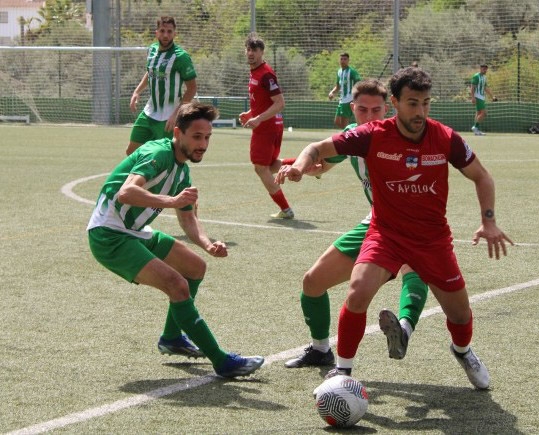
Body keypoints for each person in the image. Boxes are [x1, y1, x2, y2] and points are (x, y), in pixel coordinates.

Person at [277, 67, 513, 390]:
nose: (420, 112)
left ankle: (463, 351)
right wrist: (300, 168)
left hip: (432, 240)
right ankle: (342, 371)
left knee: (459, 314)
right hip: (385, 234)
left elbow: (482, 176)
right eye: (413, 103)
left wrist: (488, 220)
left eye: (426, 103)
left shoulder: (444, 138)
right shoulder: (372, 135)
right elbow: (317, 150)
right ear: (396, 102)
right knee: (357, 291)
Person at [88, 102, 264, 378]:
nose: (203, 144)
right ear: (178, 133)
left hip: (134, 231)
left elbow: (187, 218)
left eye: (207, 138)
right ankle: (222, 361)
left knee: (195, 267)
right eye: (196, 137)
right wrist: (172, 200)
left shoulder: (183, 171)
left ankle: (171, 338)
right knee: (177, 285)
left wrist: (207, 244)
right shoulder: (158, 153)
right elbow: (126, 193)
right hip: (109, 235)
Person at [282, 79, 429, 369]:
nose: (370, 117)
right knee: (313, 282)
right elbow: (322, 160)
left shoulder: (404, 135)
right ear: (352, 109)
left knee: (412, 267)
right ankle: (321, 349)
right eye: (363, 110)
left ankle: (404, 328)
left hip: (414, 221)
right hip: (376, 221)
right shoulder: (351, 136)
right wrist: (301, 169)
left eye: (377, 110)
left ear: (388, 109)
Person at [238, 34, 293, 219]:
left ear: (262, 52)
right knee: (269, 166)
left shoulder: (266, 74)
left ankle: (286, 209)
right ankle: (308, 164)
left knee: (261, 168)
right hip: (270, 126)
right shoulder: (255, 72)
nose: (251, 53)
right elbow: (263, 102)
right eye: (248, 49)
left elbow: (280, 103)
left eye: (255, 50)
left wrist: (259, 118)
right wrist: (250, 114)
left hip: (267, 128)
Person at [126, 16, 198, 156]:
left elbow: (192, 88)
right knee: (131, 152)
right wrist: (137, 92)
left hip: (169, 117)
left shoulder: (181, 57)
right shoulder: (151, 50)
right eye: (162, 31)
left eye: (169, 31)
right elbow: (150, 72)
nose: (166, 35)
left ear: (175, 33)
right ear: (156, 32)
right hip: (149, 113)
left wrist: (177, 113)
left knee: (169, 157)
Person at [328, 53, 361, 129]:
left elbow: (359, 84)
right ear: (339, 60)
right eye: (341, 59)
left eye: (345, 59)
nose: (343, 61)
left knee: (344, 125)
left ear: (348, 60)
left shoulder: (352, 72)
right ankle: (354, 132)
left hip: (349, 100)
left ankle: (349, 137)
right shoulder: (339, 72)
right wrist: (332, 92)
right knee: (337, 121)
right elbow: (338, 86)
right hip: (342, 100)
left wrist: (356, 96)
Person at [470, 64, 497, 136]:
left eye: (485, 69)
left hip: (482, 97)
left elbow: (485, 88)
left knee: (479, 113)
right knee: (484, 113)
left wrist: (492, 96)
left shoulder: (484, 77)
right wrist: (472, 97)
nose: (484, 70)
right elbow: (472, 87)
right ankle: (475, 127)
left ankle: (476, 130)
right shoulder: (476, 76)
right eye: (483, 69)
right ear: (480, 69)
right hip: (477, 97)